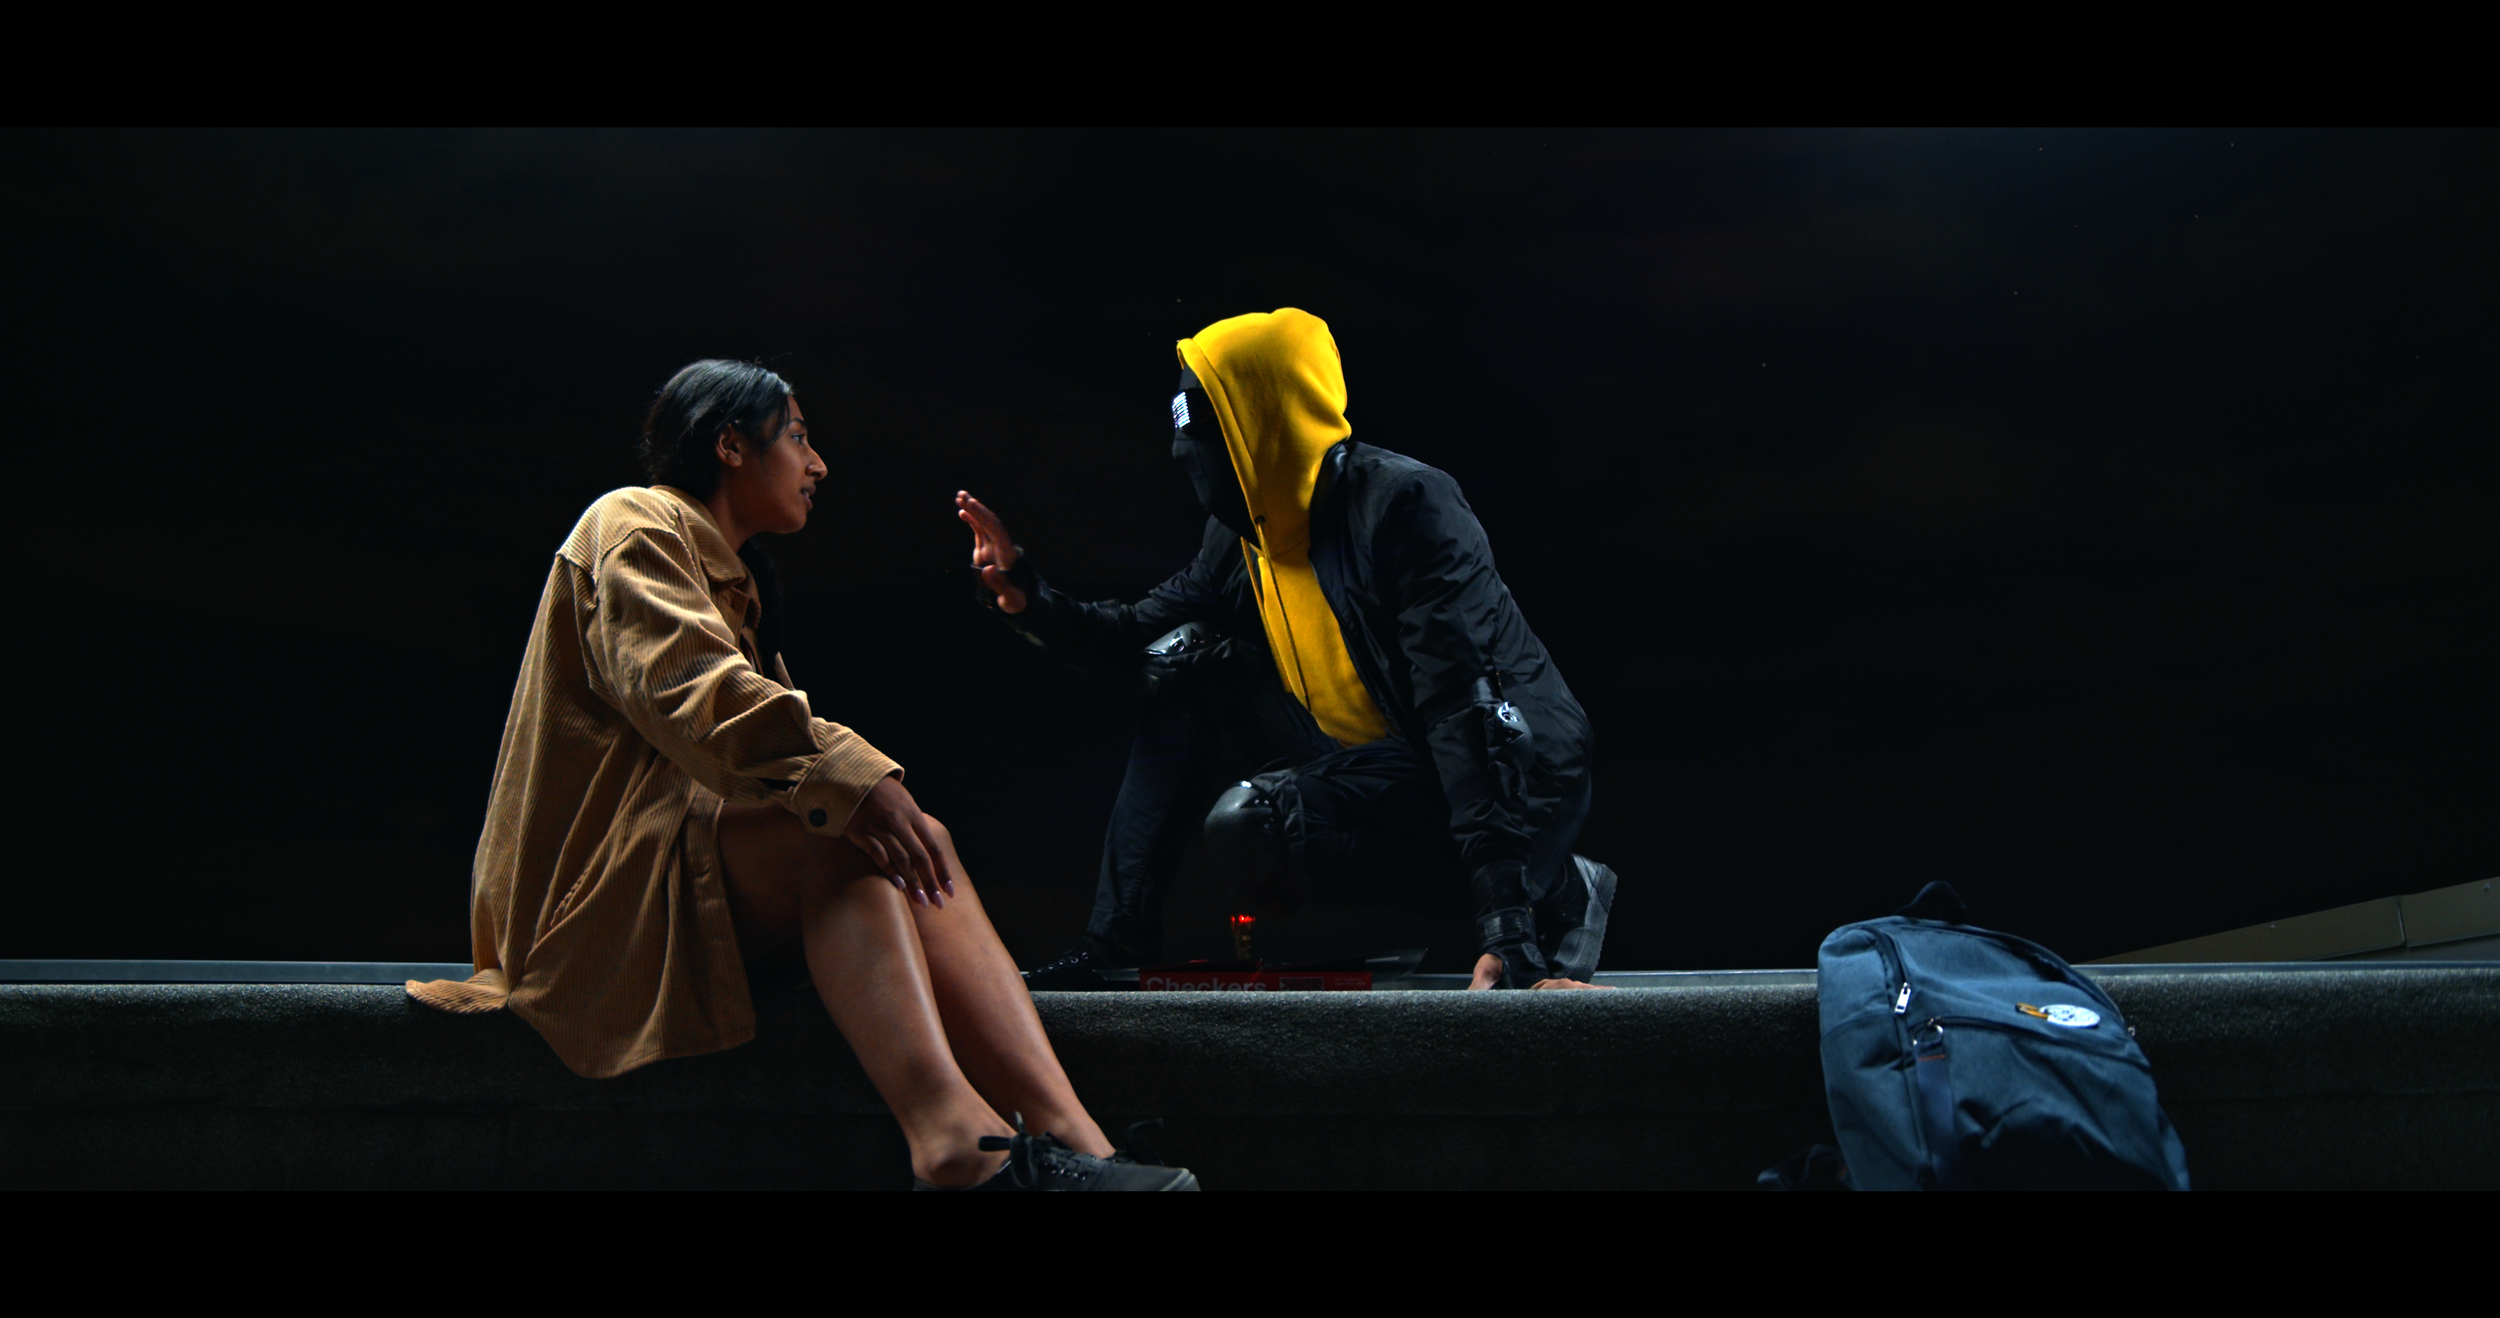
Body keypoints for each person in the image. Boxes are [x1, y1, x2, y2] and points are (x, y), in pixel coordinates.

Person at [409, 360, 1195, 1190]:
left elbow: (764, 748)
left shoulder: (732, 580)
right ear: (730, 446)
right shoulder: (633, 522)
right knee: (844, 829)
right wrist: (851, 777)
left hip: (668, 887)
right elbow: (694, 695)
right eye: (796, 436)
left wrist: (856, 786)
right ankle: (953, 1144)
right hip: (588, 915)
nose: (817, 464)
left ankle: (1082, 1147)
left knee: (917, 836)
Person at [957, 309, 1614, 992]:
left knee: (1253, 824)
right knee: (1181, 665)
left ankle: (1551, 888)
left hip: (1518, 766)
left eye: (1209, 432)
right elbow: (1136, 637)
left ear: (1265, 424)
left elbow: (1465, 713)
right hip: (1381, 751)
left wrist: (1506, 926)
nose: (1189, 454)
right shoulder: (1248, 535)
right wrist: (1029, 597)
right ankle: (1116, 941)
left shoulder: (1406, 505)